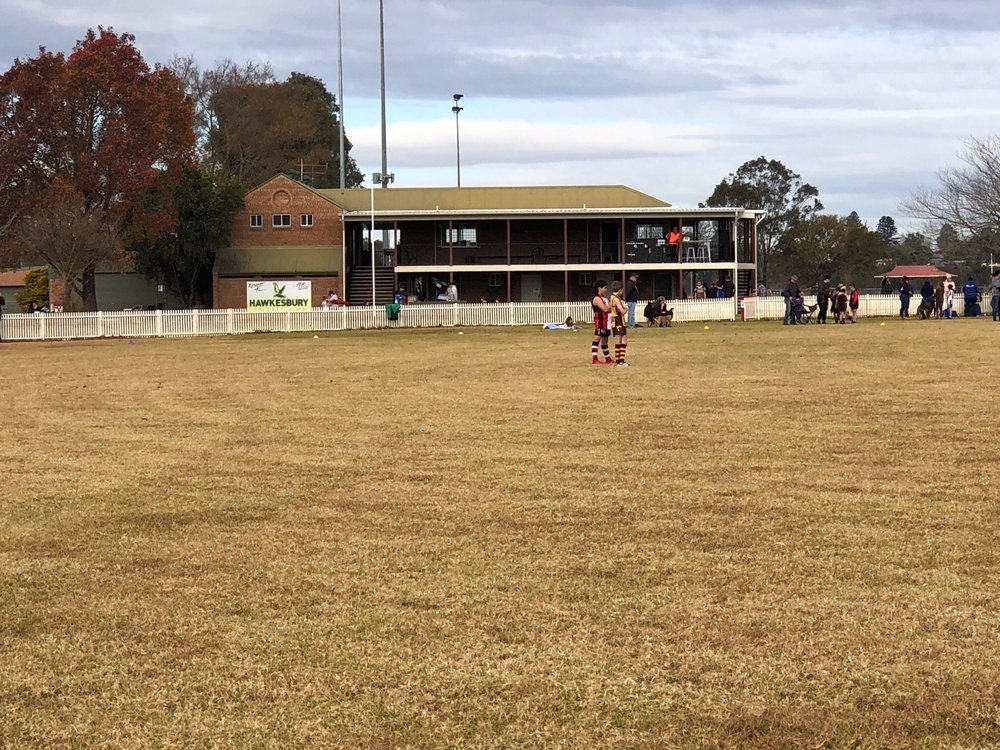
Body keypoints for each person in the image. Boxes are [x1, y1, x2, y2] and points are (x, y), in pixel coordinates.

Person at [591, 280, 612, 365]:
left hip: (606, 321)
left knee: (605, 340)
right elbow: (605, 309)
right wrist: (612, 303)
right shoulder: (596, 298)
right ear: (599, 288)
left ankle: (608, 358)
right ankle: (594, 359)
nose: (606, 290)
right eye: (605, 288)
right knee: (597, 338)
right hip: (600, 321)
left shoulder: (603, 298)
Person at [608, 279, 629, 366]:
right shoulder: (616, 299)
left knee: (624, 339)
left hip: (616, 320)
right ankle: (619, 361)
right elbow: (622, 311)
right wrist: (627, 309)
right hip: (618, 320)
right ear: (620, 289)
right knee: (619, 339)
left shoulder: (612, 297)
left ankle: (621, 360)